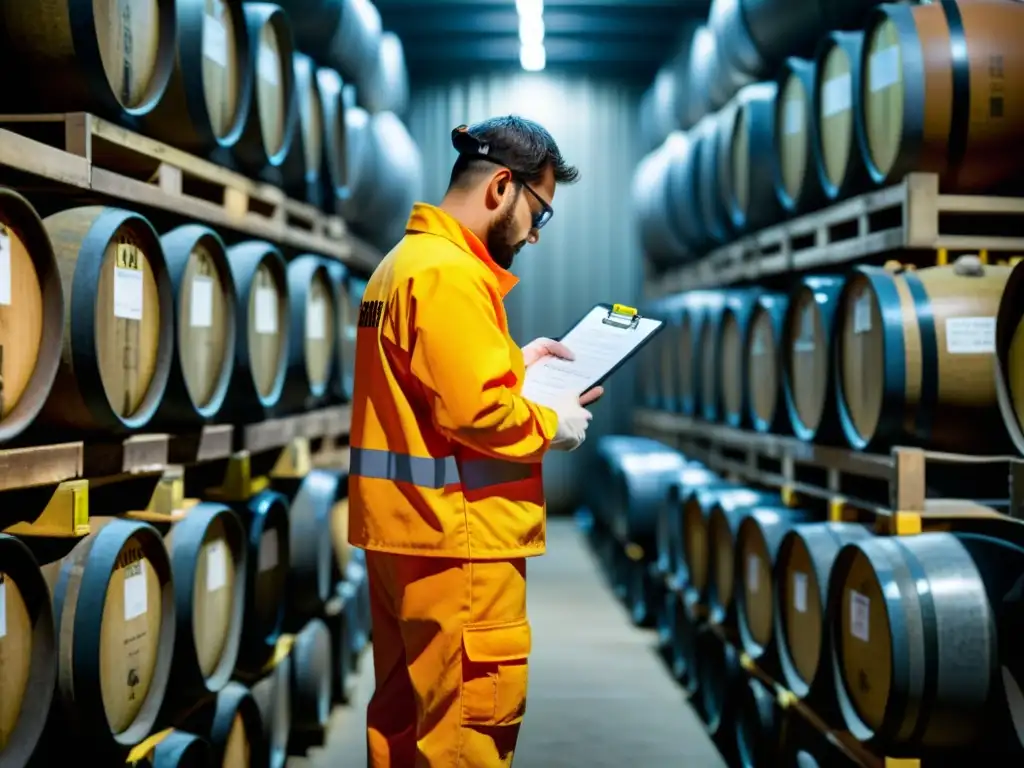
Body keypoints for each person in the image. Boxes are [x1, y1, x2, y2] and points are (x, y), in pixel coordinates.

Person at [347, 115, 603, 767]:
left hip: (403, 541)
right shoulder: (452, 274)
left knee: (406, 733)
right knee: (464, 740)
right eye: (539, 212)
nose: (537, 235)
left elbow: (431, 388)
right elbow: (476, 413)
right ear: (500, 187)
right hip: (457, 548)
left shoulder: (399, 267)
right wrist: (554, 425)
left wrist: (515, 365)